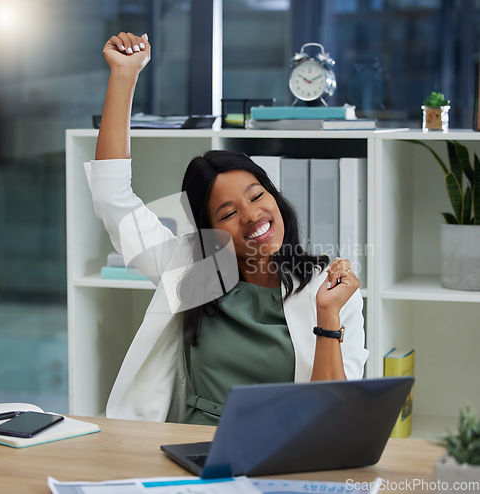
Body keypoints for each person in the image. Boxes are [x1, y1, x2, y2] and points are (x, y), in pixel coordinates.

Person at [86, 32, 368, 425]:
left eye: (256, 196)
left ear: (275, 197)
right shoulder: (194, 272)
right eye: (227, 213)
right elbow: (113, 199)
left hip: (284, 449)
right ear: (209, 232)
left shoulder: (327, 291)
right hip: (193, 451)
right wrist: (124, 75)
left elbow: (334, 419)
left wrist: (328, 317)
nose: (252, 216)